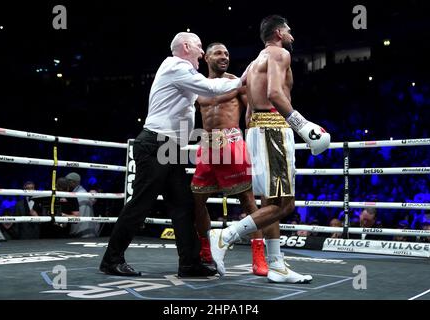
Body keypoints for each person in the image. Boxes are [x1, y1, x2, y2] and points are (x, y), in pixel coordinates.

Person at [100, 32, 244, 277]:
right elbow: (209, 87)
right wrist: (246, 79)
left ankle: (189, 263)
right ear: (186, 47)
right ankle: (111, 260)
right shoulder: (175, 65)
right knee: (141, 203)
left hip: (170, 146)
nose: (201, 53)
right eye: (199, 47)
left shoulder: (179, 71)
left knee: (183, 205)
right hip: (156, 143)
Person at [208, 15, 330, 283]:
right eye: (288, 30)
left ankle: (276, 265)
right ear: (278, 32)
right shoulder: (279, 53)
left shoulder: (253, 63)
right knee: (285, 204)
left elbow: (248, 107)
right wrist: (303, 126)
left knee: (271, 202)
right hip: (273, 128)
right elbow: (275, 92)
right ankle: (226, 235)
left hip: (256, 130)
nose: (292, 36)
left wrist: (254, 134)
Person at [191, 42, 268, 276]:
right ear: (207, 58)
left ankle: (259, 256)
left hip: (232, 141)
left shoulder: (237, 82)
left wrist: (254, 141)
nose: (224, 57)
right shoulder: (197, 86)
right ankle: (206, 251)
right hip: (207, 144)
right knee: (196, 201)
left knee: (247, 200)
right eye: (218, 53)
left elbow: (252, 110)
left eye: (227, 53)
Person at [65, 172, 98, 238]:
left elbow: (78, 214)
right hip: (85, 231)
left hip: (82, 232)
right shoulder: (80, 192)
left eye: (67, 182)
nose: (65, 184)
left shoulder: (79, 195)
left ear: (73, 182)